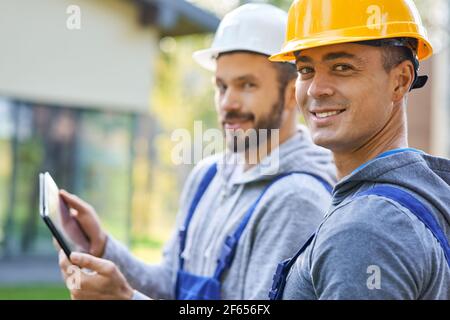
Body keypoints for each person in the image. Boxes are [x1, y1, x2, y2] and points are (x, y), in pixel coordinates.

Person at [57, 3, 336, 300]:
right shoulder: (207, 177)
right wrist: (102, 247)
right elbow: (168, 285)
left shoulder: (297, 199)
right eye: (221, 86)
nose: (228, 102)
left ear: (292, 92)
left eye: (247, 85)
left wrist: (126, 299)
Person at [268, 0, 450, 300]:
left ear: (401, 80)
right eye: (305, 69)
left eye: (342, 67)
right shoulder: (422, 195)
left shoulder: (367, 229)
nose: (316, 88)